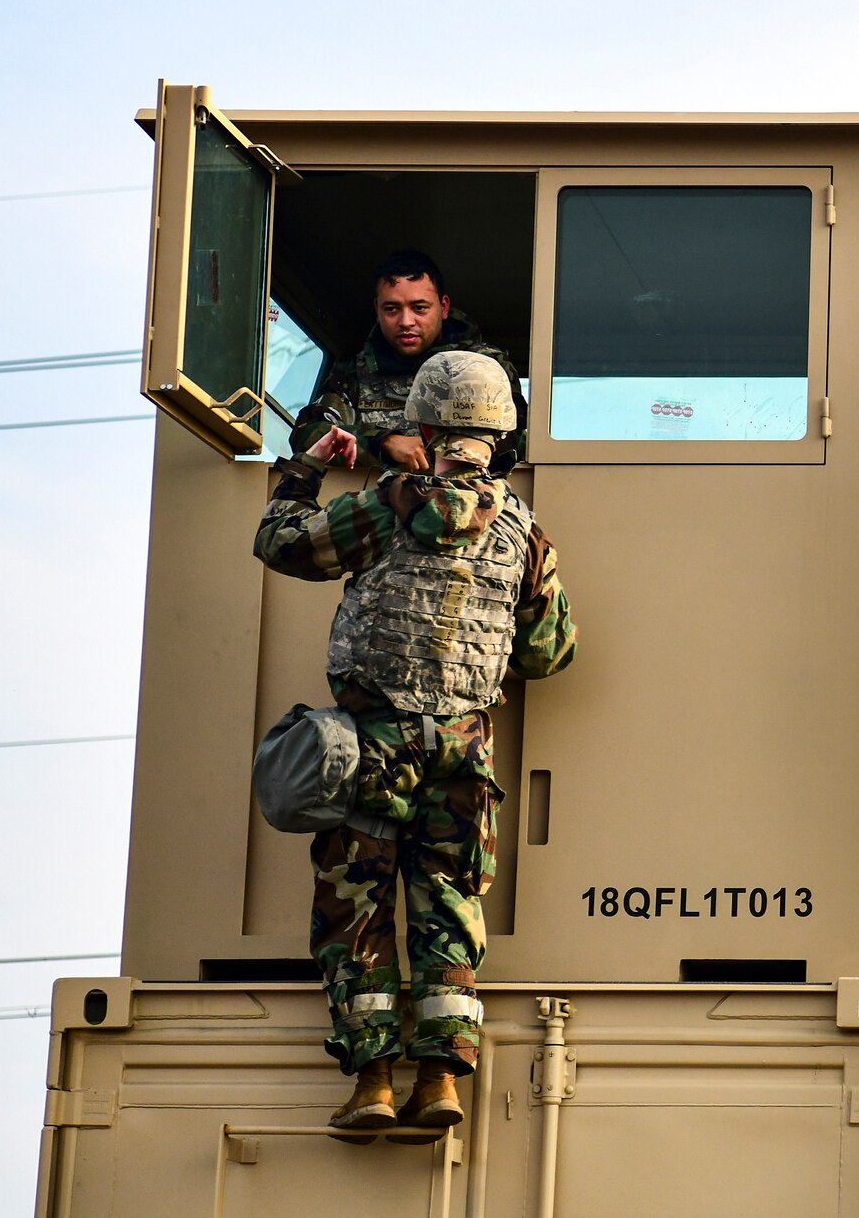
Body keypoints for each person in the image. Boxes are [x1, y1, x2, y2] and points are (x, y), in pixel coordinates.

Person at [253, 351, 576, 1141]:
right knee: (450, 910)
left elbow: (280, 543)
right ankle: (440, 1079)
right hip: (464, 753)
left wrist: (302, 470)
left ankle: (372, 1084)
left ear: (425, 428)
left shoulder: (384, 505)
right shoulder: (527, 532)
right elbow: (549, 652)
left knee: (356, 909)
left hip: (372, 742)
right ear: (499, 435)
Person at [290, 249, 521, 473]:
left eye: (419, 308)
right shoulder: (353, 374)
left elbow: (514, 439)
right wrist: (384, 444)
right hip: (373, 506)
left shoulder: (486, 367)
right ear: (377, 310)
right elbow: (307, 435)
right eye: (391, 309)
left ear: (443, 307)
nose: (406, 321)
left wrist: (444, 454)